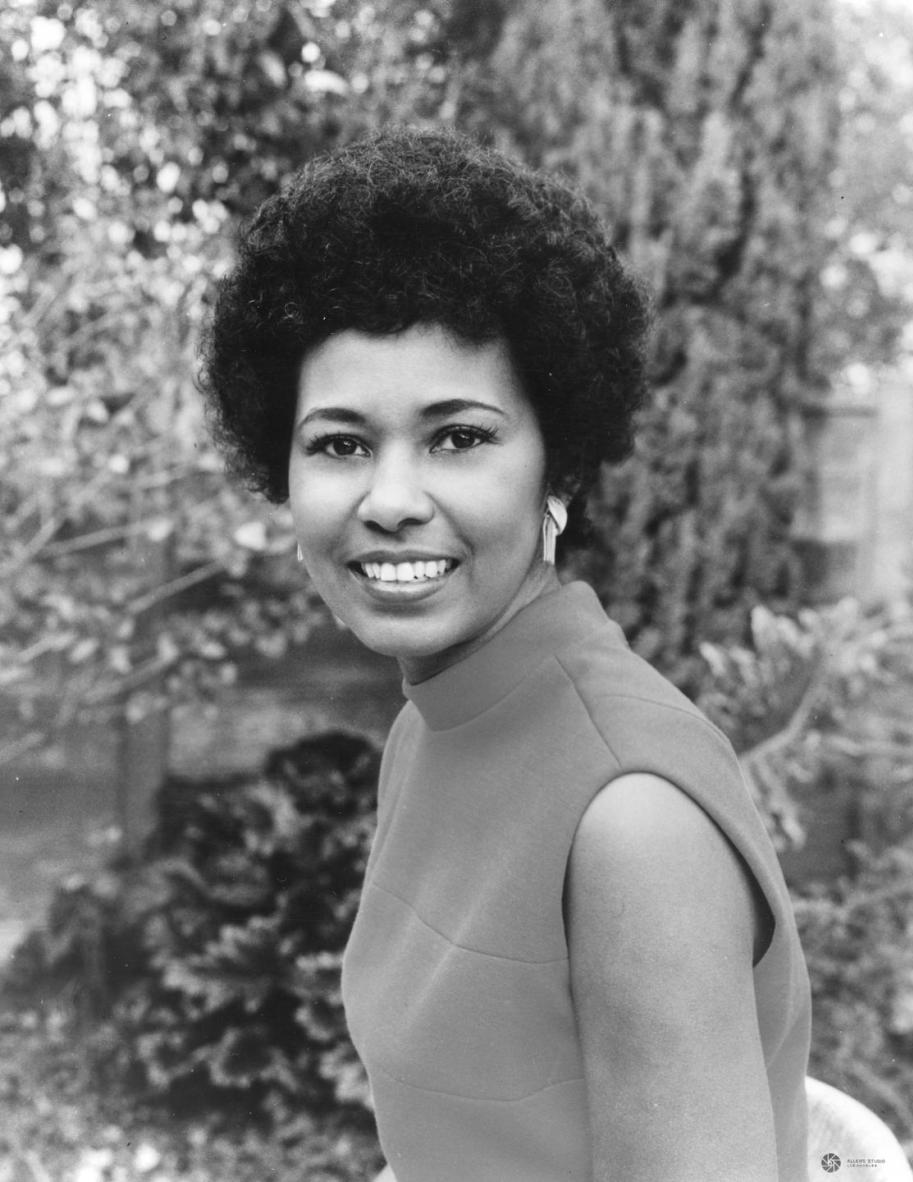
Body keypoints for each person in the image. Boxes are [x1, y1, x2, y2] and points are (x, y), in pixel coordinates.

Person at [199, 126, 811, 1182]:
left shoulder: (633, 819)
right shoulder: (428, 725)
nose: (391, 502)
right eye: (340, 443)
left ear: (556, 472)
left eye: (459, 436)